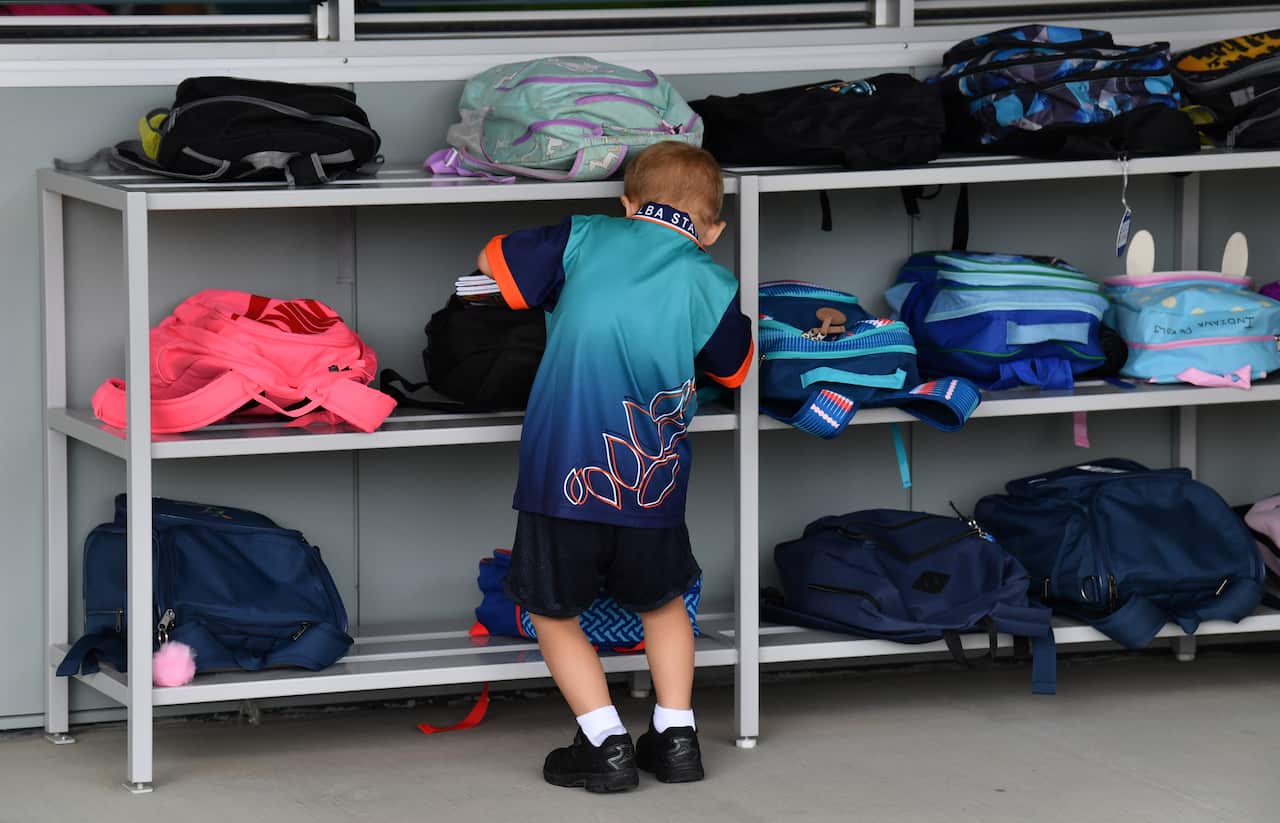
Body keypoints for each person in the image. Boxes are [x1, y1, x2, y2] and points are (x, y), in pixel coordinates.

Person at [476, 140, 753, 793]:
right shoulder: (709, 276)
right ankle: (677, 736)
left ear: (628, 203)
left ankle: (605, 742)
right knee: (663, 605)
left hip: (559, 477)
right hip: (652, 482)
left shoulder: (585, 235)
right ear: (713, 230)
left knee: (549, 609)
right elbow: (736, 368)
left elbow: (496, 262)